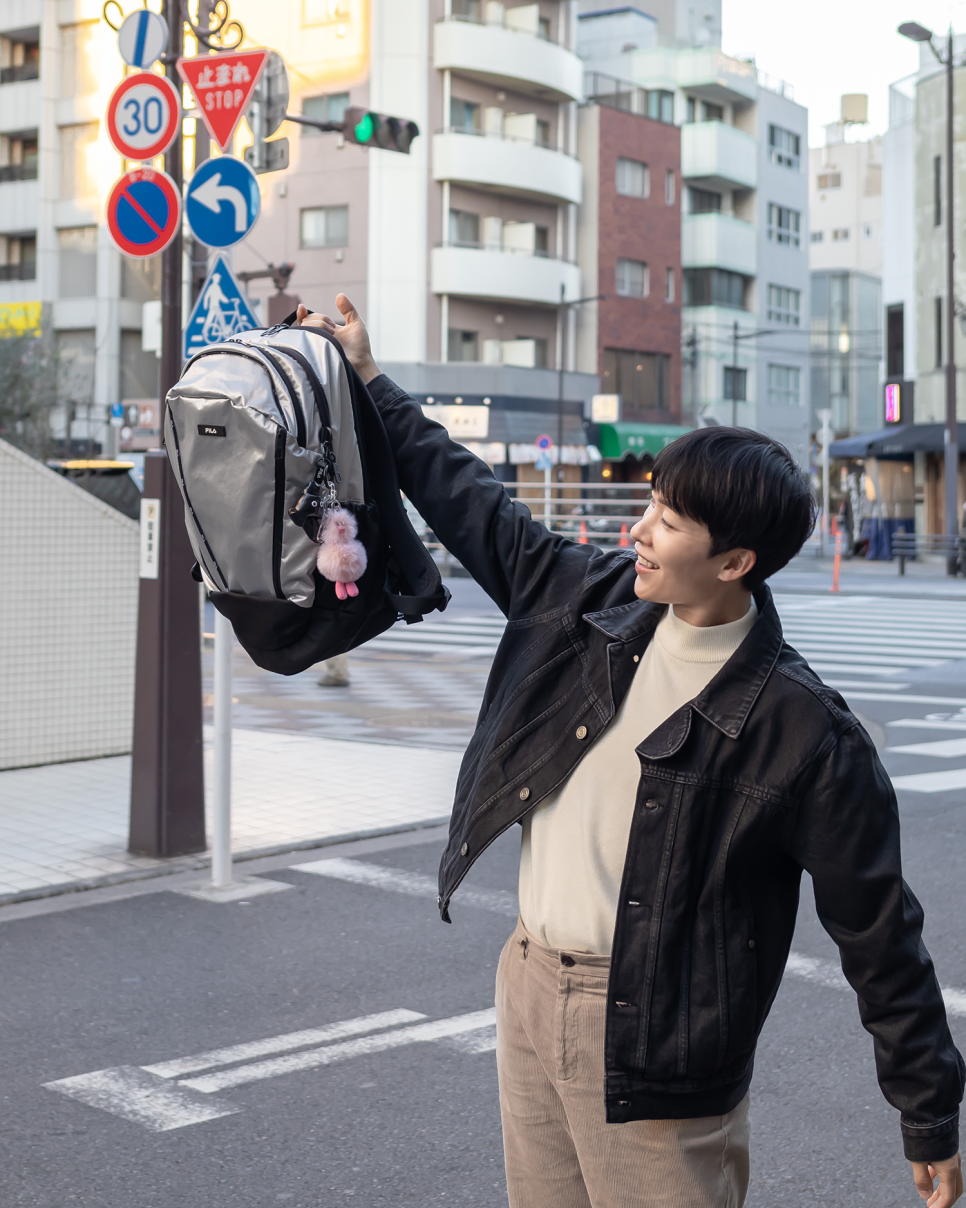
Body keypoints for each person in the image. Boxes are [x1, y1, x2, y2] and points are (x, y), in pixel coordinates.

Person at [296, 297, 965, 1208]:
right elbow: (468, 500)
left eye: (670, 522)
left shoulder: (804, 728)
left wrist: (927, 1113)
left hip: (661, 1035)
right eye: (651, 502)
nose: (639, 531)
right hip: (530, 983)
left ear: (735, 563)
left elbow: (879, 929)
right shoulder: (587, 599)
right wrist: (369, 378)